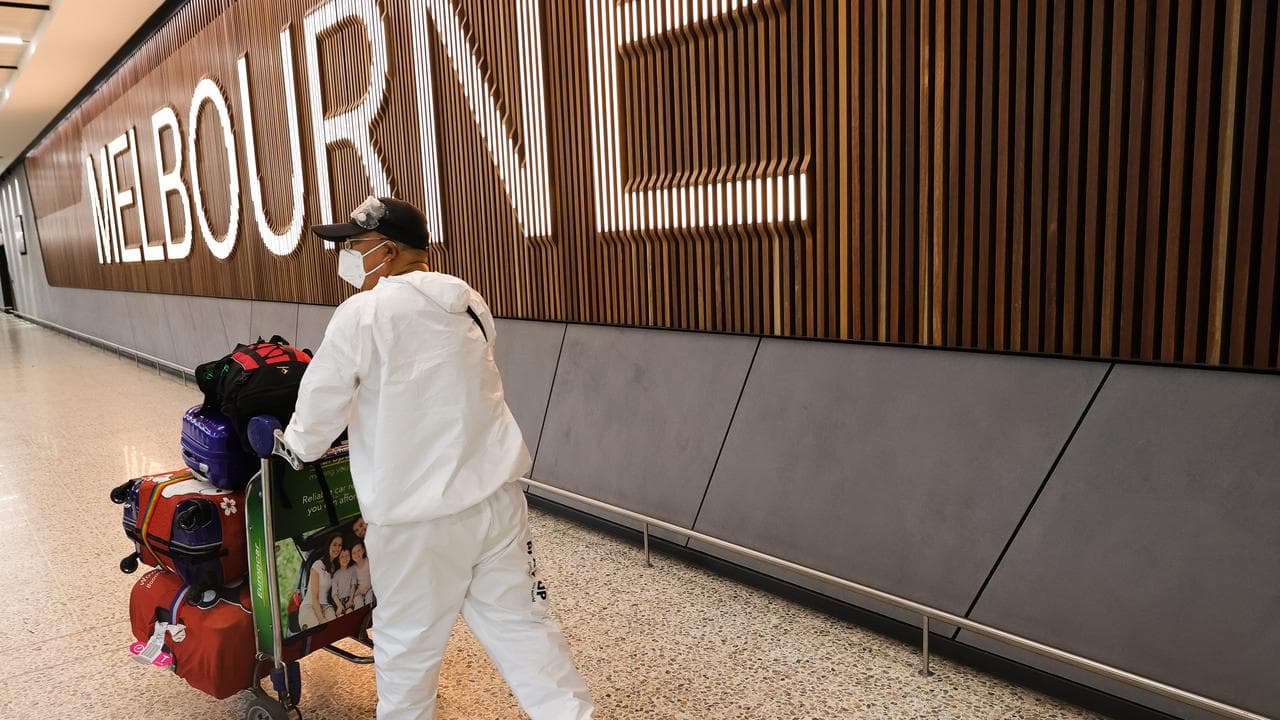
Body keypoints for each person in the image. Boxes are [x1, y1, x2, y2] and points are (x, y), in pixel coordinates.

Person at [281, 196, 593, 720]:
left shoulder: (363, 313)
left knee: (407, 654)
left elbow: (316, 416)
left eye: (354, 246)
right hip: (495, 505)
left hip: (413, 522)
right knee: (527, 632)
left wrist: (293, 447)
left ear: (388, 250)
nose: (348, 258)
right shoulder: (467, 300)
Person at [298, 533, 342, 630]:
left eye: (340, 545)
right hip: (310, 605)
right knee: (319, 631)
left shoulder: (335, 567)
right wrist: (321, 619)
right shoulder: (318, 564)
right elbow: (314, 597)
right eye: (334, 544)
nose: (337, 548)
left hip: (326, 606)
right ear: (329, 545)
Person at [331, 548, 357, 615]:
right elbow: (334, 594)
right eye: (342, 556)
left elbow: (353, 585)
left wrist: (351, 600)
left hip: (349, 599)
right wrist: (339, 606)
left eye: (347, 555)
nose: (345, 558)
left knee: (349, 612)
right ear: (338, 560)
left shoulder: (352, 570)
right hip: (338, 601)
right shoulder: (336, 575)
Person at [351, 541, 374, 609]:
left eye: (359, 550)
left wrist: (369, 588)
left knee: (369, 599)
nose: (356, 554)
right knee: (358, 601)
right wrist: (356, 593)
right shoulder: (353, 568)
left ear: (363, 550)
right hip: (360, 591)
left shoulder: (368, 561)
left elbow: (374, 576)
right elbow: (355, 583)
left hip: (370, 588)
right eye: (353, 553)